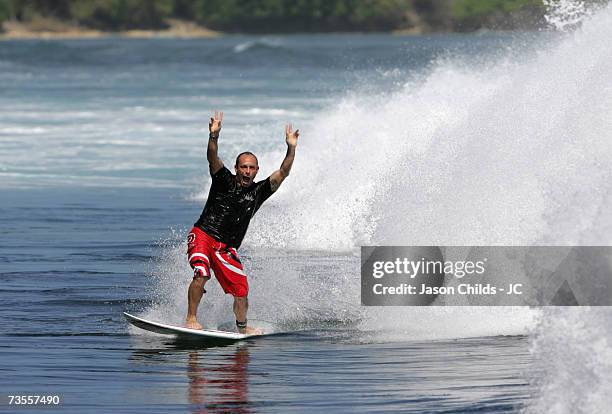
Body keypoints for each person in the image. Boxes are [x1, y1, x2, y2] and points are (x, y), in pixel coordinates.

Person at [185, 111, 300, 334]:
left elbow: (283, 172)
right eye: (243, 167)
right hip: (203, 235)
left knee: (241, 291)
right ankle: (191, 318)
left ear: (256, 171)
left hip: (227, 249)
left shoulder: (260, 191)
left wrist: (291, 148)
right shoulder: (223, 180)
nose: (247, 171)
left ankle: (242, 327)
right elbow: (212, 157)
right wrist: (214, 137)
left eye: (251, 168)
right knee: (202, 272)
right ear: (237, 168)